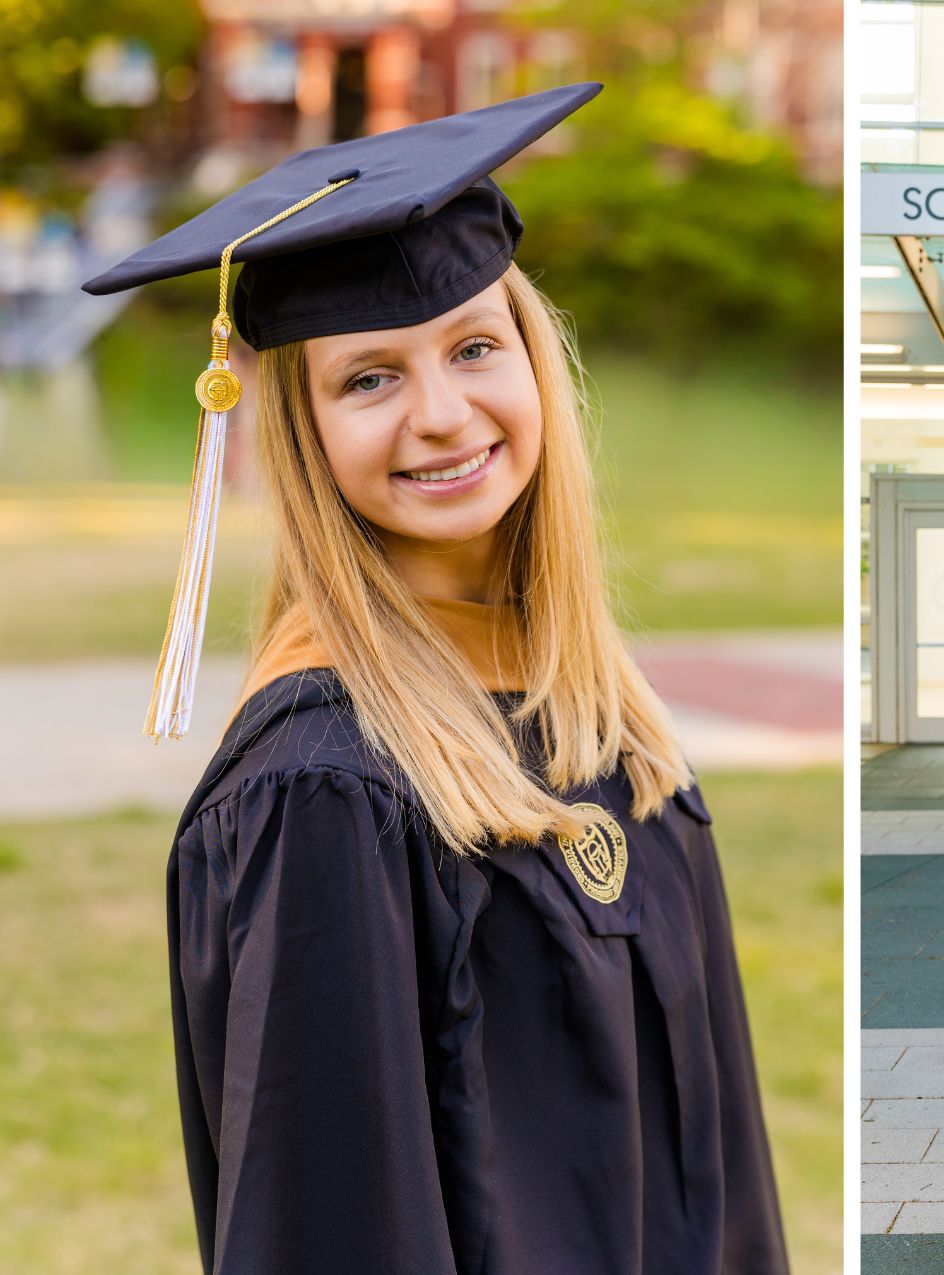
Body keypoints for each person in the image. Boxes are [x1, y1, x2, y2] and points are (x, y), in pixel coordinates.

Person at [82, 85, 790, 1272]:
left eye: (472, 347)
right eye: (369, 378)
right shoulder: (323, 790)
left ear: (535, 362)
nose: (443, 415)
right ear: (299, 430)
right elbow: (331, 1233)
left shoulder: (605, 721)